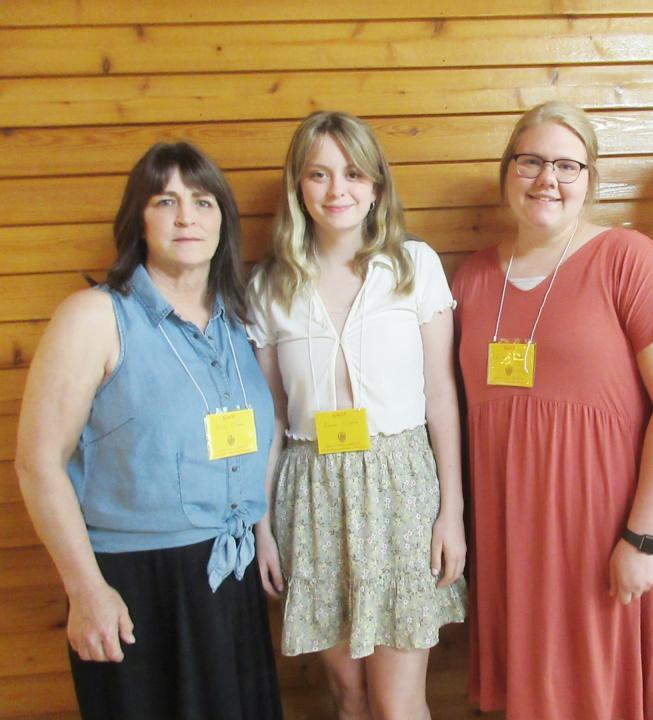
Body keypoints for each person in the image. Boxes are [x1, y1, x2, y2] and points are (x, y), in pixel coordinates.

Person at [15, 142, 282, 719]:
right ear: (138, 220)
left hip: (228, 579)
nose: (187, 216)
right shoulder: (95, 316)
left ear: (223, 222)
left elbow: (257, 441)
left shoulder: (237, 325)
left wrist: (261, 534)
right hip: (138, 589)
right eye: (166, 200)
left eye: (203, 202)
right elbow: (38, 463)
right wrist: (86, 590)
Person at [453, 101, 653, 720]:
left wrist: (641, 537)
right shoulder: (472, 278)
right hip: (510, 534)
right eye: (532, 161)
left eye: (568, 165)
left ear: (590, 179)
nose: (548, 179)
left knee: (602, 692)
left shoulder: (628, 258)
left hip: (604, 532)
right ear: (507, 169)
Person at [247, 110, 467, 720]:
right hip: (311, 493)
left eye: (352, 173)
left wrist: (452, 512)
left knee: (398, 704)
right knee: (347, 696)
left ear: (376, 184)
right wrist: (263, 525)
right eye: (318, 174)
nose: (337, 190)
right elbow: (271, 415)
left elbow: (442, 396)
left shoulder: (413, 266)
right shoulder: (269, 286)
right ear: (298, 186)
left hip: (401, 489)